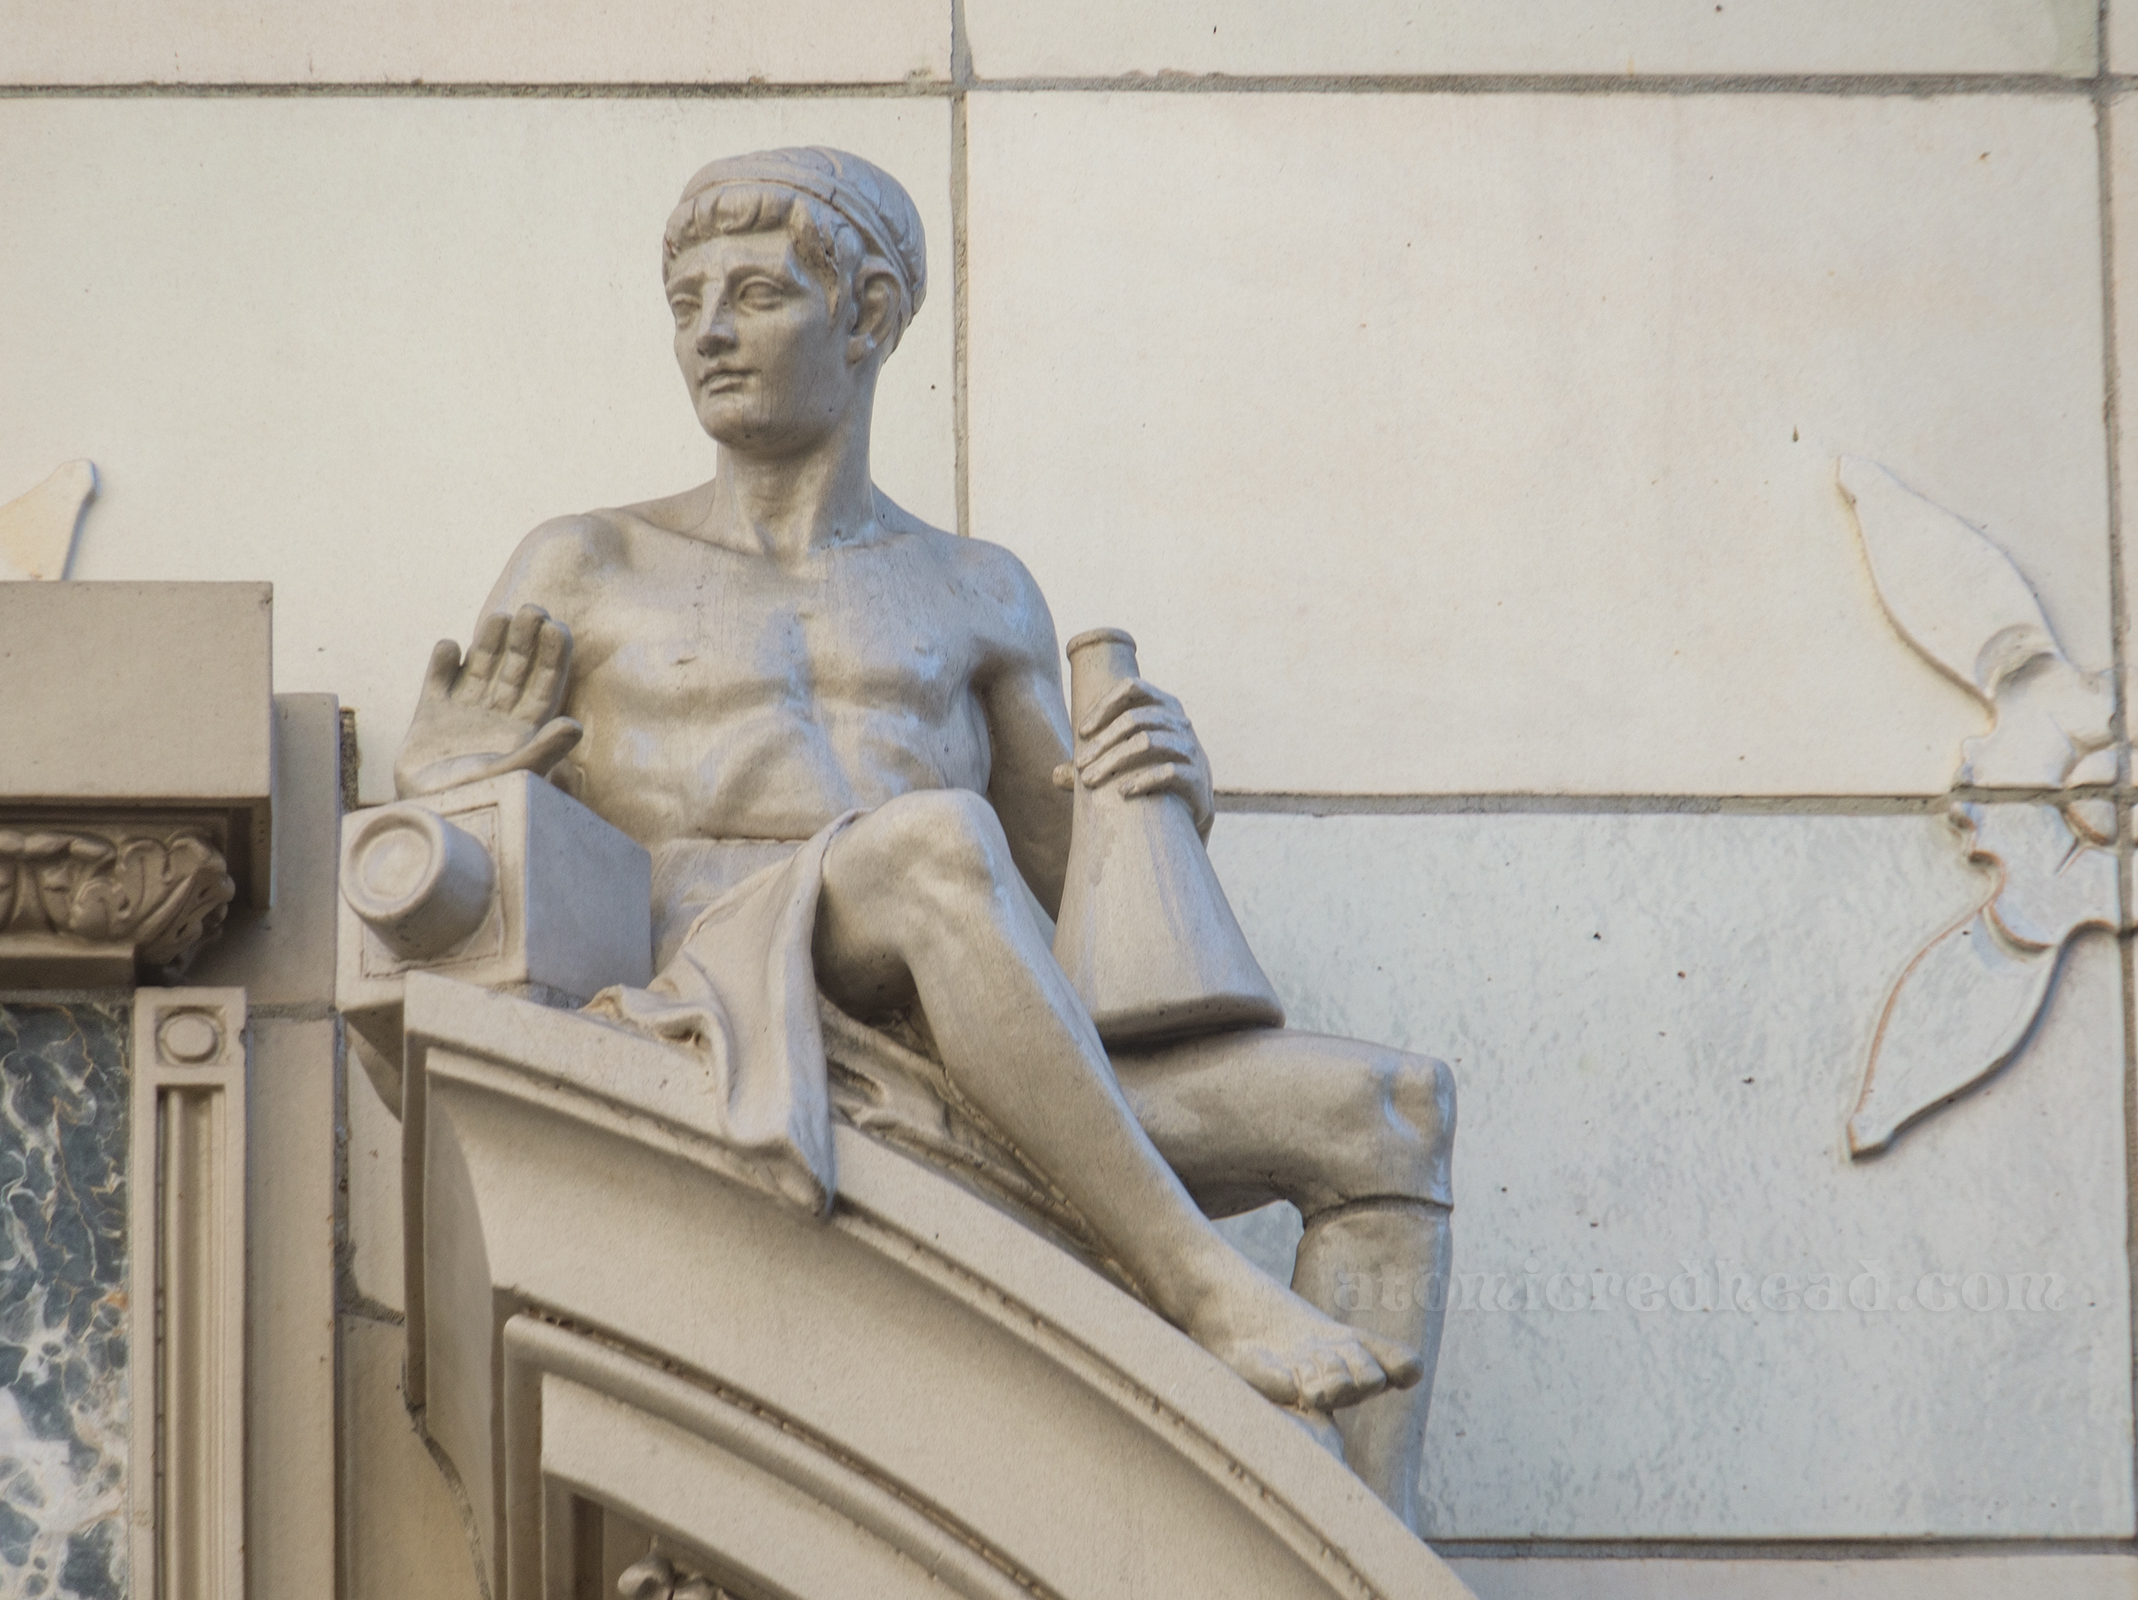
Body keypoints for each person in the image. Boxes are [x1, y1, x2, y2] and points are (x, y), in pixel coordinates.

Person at [394, 147, 1453, 1528]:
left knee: (1392, 1113)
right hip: (705, 1003)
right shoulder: (587, 563)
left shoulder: (977, 591)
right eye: (686, 303)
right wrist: (447, 782)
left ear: (870, 314)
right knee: (931, 844)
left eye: (755, 294)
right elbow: (466, 839)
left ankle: (1362, 1543)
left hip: (959, 1047)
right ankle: (1204, 1289)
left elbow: (1079, 921)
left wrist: (1158, 796)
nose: (708, 333)